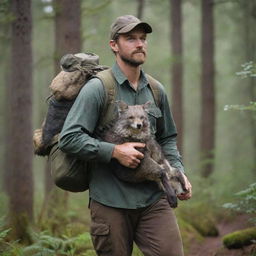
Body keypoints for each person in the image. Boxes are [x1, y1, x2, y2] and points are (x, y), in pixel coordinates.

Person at [59, 14, 192, 256]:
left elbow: (167, 138)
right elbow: (69, 137)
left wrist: (178, 171)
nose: (140, 44)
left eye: (143, 38)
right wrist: (114, 152)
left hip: (154, 200)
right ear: (114, 45)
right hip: (111, 202)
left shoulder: (156, 90)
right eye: (130, 38)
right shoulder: (98, 88)